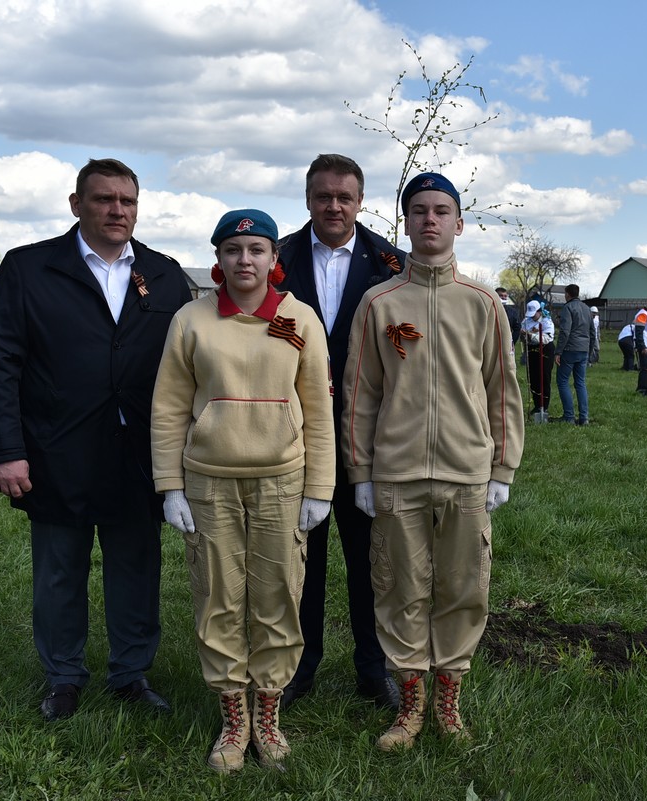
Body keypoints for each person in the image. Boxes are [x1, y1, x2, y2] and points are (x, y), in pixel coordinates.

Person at [0, 157, 190, 722]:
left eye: (127, 201)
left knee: (136, 569)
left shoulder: (164, 274)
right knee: (59, 571)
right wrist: (5, 450)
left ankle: (130, 673)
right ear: (77, 204)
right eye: (103, 199)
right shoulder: (30, 268)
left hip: (138, 455)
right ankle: (63, 676)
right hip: (54, 450)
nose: (117, 210)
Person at [343, 171, 525, 750]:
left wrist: (501, 467)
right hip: (395, 475)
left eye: (441, 211)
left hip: (466, 473)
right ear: (405, 221)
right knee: (400, 589)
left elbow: (502, 389)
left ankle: (449, 701)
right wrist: (360, 472)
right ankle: (409, 705)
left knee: (462, 587)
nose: (430, 220)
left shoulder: (483, 303)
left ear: (459, 223)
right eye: (418, 210)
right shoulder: (379, 303)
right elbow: (360, 393)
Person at [151, 210, 333, 771]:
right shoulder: (191, 319)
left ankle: (269, 716)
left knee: (279, 595)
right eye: (234, 250)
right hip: (209, 481)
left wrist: (319, 487)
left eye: (257, 249)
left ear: (275, 259)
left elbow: (321, 409)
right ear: (219, 258)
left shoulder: (300, 318)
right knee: (218, 598)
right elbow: (169, 407)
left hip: (282, 480)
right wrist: (170, 485)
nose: (245, 260)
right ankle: (234, 719)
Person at [276, 154, 405, 711]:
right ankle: (300, 665)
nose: (333, 206)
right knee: (300, 557)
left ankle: (372, 669)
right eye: (323, 196)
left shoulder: (390, 263)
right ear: (308, 199)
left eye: (344, 197)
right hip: (290, 434)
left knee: (369, 559)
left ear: (360, 201)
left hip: (365, 437)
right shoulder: (273, 257)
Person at [554, 284, 592, 425]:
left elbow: (565, 331)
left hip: (570, 349)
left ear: (568, 294)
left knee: (563, 382)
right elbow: (592, 331)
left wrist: (558, 351)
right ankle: (584, 417)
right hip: (584, 349)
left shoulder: (568, 308)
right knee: (580, 383)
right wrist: (590, 349)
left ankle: (569, 416)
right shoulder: (587, 309)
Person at [522, 299, 555, 417]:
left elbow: (546, 338)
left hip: (545, 350)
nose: (532, 317)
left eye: (534, 314)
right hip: (532, 351)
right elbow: (523, 335)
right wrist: (525, 336)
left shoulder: (547, 322)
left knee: (544, 377)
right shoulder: (526, 321)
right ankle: (536, 405)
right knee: (533, 378)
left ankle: (544, 406)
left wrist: (531, 335)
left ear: (540, 311)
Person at [496, 286, 521, 357]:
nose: (503, 297)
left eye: (505, 296)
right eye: (501, 295)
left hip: (506, 342)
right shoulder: (489, 309)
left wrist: (511, 342)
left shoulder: (512, 312)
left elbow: (517, 328)